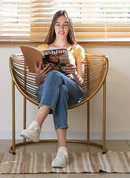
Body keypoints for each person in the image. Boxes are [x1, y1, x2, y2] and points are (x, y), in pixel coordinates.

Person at [20, 10, 85, 168]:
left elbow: (81, 83)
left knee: (57, 78)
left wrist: (75, 73)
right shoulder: (42, 48)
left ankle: (36, 125)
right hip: (50, 91)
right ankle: (62, 152)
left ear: (69, 28)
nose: (61, 28)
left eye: (65, 24)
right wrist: (39, 75)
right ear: (53, 27)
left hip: (73, 89)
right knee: (59, 89)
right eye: (58, 24)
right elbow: (38, 84)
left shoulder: (77, 49)